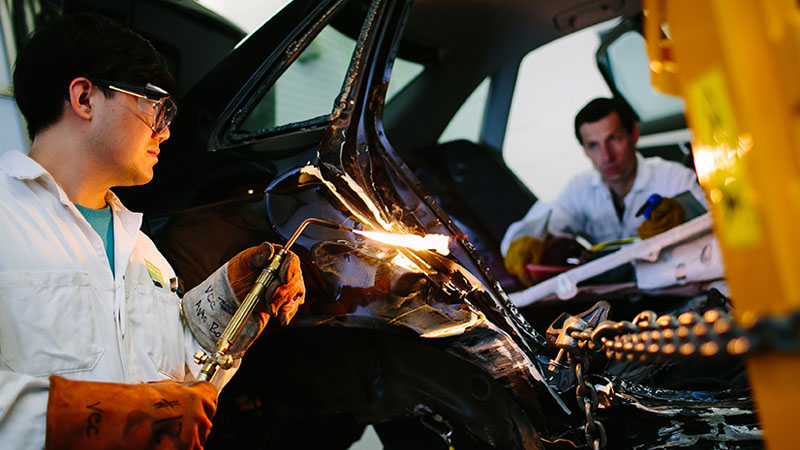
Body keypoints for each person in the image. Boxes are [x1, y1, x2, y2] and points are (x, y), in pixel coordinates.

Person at [0, 13, 305, 450]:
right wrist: (96, 418)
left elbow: (183, 388)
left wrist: (231, 303)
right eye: (154, 103)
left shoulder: (143, 251)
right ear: (85, 98)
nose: (165, 129)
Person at [502, 97, 706, 286]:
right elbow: (546, 222)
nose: (606, 156)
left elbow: (713, 218)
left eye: (614, 139)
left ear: (634, 134)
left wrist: (684, 214)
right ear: (584, 150)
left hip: (675, 283)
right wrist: (525, 241)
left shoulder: (672, 177)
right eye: (593, 145)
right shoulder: (579, 190)